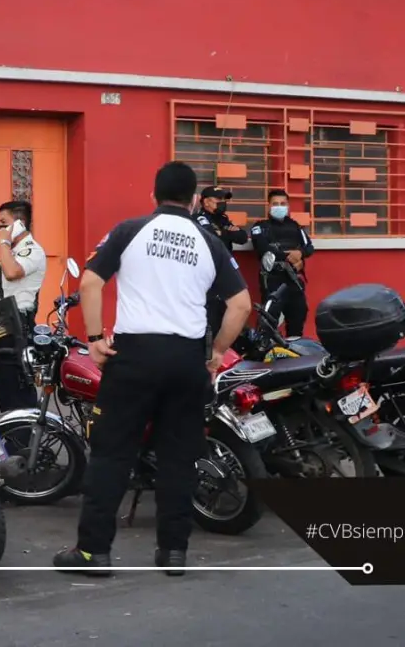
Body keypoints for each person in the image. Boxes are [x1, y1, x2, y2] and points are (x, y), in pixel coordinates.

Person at [54, 161, 251, 577]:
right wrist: (216, 351)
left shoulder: (129, 231)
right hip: (186, 361)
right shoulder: (209, 240)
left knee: (111, 454)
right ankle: (173, 552)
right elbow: (241, 305)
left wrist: (93, 340)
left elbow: (90, 282)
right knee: (179, 459)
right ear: (196, 199)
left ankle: (93, 553)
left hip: (135, 357)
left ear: (154, 195)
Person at [0, 200, 47, 413]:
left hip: (14, 335)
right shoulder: (10, 254)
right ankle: (13, 441)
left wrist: (4, 243)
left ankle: (24, 443)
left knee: (17, 399)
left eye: (3, 223)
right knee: (6, 398)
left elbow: (12, 273)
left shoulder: (31, 251)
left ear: (19, 224)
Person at [250, 188, 314, 338]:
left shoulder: (295, 226)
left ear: (288, 206)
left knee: (298, 316)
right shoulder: (260, 227)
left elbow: (309, 247)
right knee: (269, 321)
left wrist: (300, 255)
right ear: (269, 206)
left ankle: (294, 353)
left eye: (283, 203)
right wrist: (288, 257)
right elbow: (262, 248)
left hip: (293, 279)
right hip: (273, 281)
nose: (279, 206)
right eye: (275, 203)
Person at [194, 186, 248, 340]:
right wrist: (227, 233)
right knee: (211, 320)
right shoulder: (200, 218)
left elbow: (242, 237)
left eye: (224, 200)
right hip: (208, 277)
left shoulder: (223, 219)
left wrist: (223, 233)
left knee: (229, 314)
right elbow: (211, 239)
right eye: (219, 200)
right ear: (206, 202)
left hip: (225, 273)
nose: (223, 203)